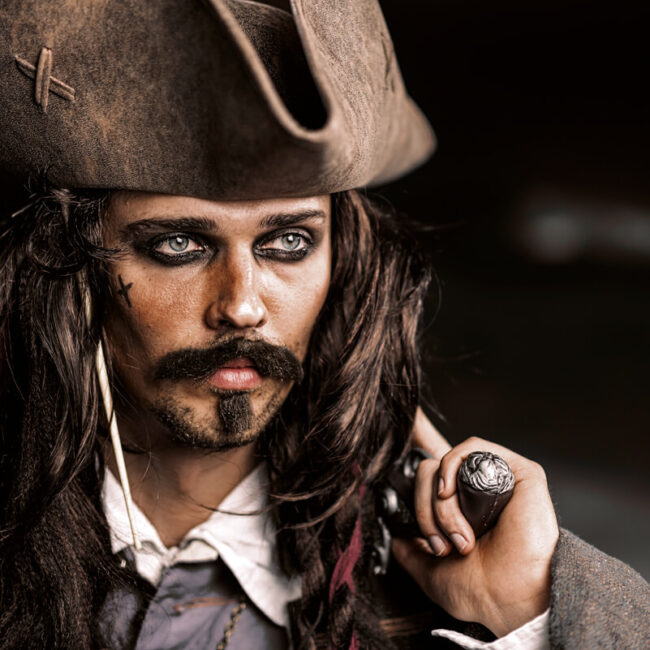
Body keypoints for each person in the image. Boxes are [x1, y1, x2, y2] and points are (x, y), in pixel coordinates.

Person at [0, 1, 647, 649]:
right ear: (70, 269)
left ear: (345, 261)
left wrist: (527, 611)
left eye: (288, 241)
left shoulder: (426, 582)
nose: (242, 306)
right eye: (178, 245)